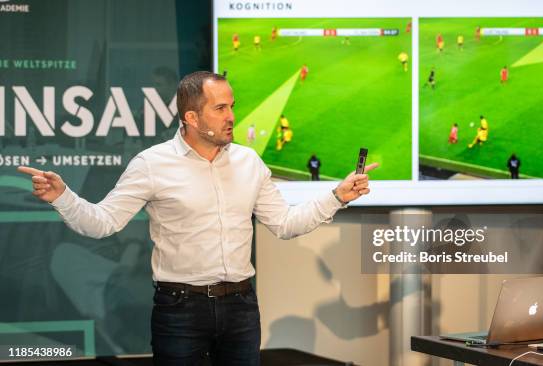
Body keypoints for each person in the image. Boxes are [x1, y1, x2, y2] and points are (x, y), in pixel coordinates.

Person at [17, 71, 378, 366]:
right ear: (191, 117)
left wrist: (336, 197)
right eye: (220, 108)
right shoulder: (152, 164)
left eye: (232, 106)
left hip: (241, 308)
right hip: (180, 310)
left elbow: (285, 223)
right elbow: (102, 222)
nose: (232, 117)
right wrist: (62, 196)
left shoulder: (249, 162)